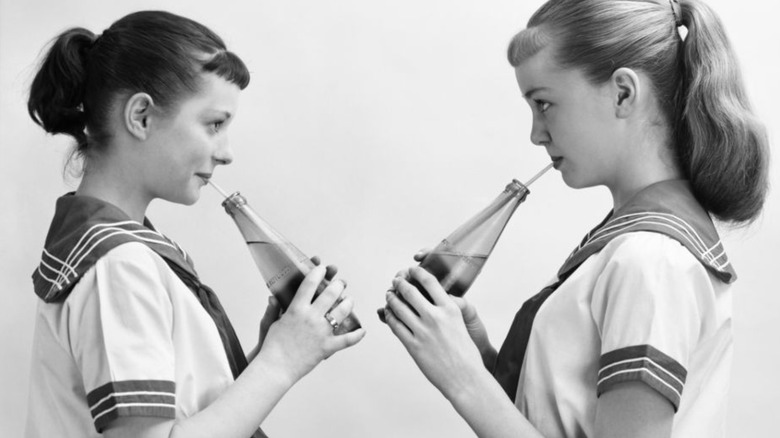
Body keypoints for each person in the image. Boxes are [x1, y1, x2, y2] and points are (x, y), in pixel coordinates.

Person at [382, 0, 768, 437]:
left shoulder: (652, 259)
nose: (536, 133)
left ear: (623, 92)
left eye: (543, 103)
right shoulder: (632, 245)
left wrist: (463, 379)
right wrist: (477, 354)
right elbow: (560, 422)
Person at [25, 10, 365, 438]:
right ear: (142, 117)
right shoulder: (119, 267)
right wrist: (281, 362)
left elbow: (190, 415)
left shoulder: (124, 251)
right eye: (214, 124)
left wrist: (272, 350)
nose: (226, 153)